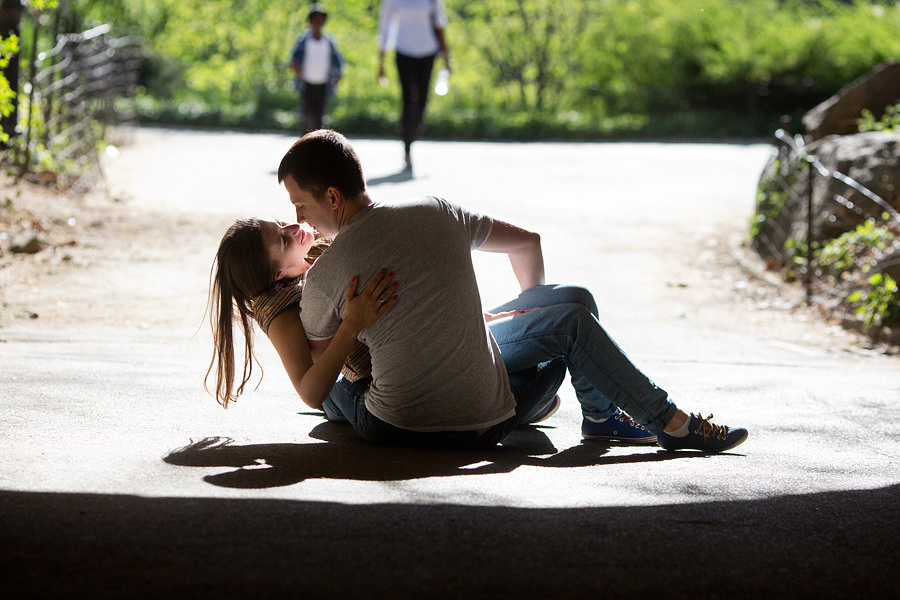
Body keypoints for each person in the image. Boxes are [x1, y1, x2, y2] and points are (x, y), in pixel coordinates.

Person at [277, 129, 749, 452]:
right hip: (489, 427)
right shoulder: (436, 210)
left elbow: (318, 383)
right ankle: (668, 423)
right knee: (572, 318)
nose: (301, 220)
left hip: (394, 429)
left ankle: (614, 417)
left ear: (333, 197)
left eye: (301, 204)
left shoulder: (325, 275)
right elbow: (528, 242)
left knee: (340, 391)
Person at [377, 0, 450, 170]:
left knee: (422, 102)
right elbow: (385, 25)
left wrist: (447, 58)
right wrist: (381, 62)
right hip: (403, 51)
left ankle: (412, 135)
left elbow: (440, 23)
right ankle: (407, 146)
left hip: (428, 51)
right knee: (408, 100)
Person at [289, 3, 345, 134]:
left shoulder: (329, 41)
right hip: (306, 83)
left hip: (323, 84)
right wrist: (296, 69)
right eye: (315, 19)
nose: (317, 23)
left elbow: (338, 61)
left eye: (320, 20)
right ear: (310, 21)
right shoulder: (303, 40)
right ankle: (304, 144)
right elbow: (293, 59)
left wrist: (337, 77)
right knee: (305, 116)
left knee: (320, 117)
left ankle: (319, 144)